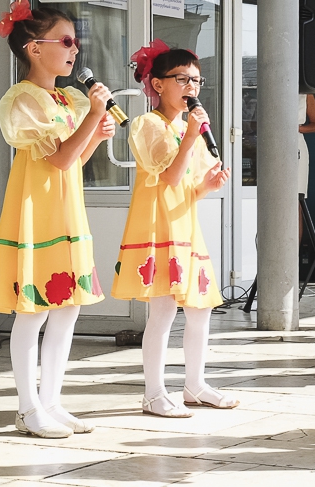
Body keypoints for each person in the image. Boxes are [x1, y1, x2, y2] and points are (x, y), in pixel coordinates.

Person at [0, 0, 115, 438]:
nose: (74, 49)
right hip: (38, 212)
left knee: (67, 309)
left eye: (75, 41)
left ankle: (52, 401)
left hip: (65, 210)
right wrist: (93, 117)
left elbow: (74, 159)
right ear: (34, 48)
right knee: (34, 311)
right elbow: (58, 159)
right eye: (66, 41)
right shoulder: (23, 99)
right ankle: (28, 407)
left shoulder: (67, 98)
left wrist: (95, 133)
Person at [112, 41, 237, 418]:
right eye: (182, 79)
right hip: (157, 227)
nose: (191, 87)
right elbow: (167, 176)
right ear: (157, 84)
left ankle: (195, 384)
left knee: (200, 309)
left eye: (196, 81)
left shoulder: (187, 129)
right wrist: (191, 137)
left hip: (185, 225)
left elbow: (186, 187)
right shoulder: (147, 125)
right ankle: (153, 393)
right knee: (163, 311)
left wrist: (208, 186)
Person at [298, 93, 315, 239]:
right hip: (274, 141)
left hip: (297, 145)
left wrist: (298, 128)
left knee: (296, 202)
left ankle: (295, 250)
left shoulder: (306, 93)